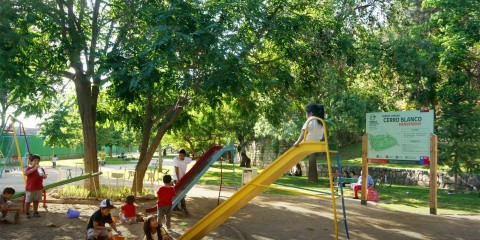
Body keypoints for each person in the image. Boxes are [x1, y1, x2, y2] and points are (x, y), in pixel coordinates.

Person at [293, 103, 325, 182]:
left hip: (306, 143)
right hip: (316, 144)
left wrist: (297, 142)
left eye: (306, 114)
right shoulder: (321, 121)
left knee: (292, 151)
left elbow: (303, 131)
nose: (306, 116)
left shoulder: (310, 120)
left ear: (310, 113)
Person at [24, 154, 47, 218]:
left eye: (38, 161)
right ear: (31, 161)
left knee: (36, 201)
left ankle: (35, 212)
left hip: (39, 187)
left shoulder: (41, 168)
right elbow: (25, 173)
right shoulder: (29, 168)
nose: (36, 162)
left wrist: (45, 176)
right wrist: (34, 168)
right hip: (30, 188)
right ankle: (27, 213)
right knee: (28, 201)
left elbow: (44, 176)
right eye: (35, 161)